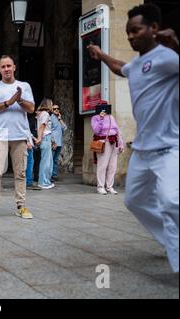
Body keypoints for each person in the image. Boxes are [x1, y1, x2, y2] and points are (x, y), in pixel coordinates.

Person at [87, 3, 178, 272]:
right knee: (134, 200)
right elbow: (120, 67)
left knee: (172, 200)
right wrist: (101, 53)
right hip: (143, 148)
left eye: (135, 30)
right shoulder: (137, 64)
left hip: (171, 147)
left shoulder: (168, 57)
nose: (129, 36)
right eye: (127, 32)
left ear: (153, 29)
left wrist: (176, 43)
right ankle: (170, 240)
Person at [0, 55, 35, 219]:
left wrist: (19, 100)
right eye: (3, 66)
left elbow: (32, 108)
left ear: (14, 67)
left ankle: (21, 206)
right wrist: (8, 102)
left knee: (20, 173)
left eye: (9, 66)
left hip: (19, 135)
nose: (6, 69)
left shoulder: (24, 86)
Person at [91, 108, 124, 195]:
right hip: (104, 142)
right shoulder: (95, 118)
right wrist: (101, 119)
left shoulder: (111, 117)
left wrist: (121, 144)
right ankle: (100, 187)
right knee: (102, 165)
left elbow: (117, 130)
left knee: (112, 166)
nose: (104, 110)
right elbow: (96, 131)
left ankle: (109, 187)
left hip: (114, 142)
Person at [35, 98, 55, 189]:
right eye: (51, 104)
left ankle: (45, 181)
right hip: (45, 138)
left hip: (46, 138)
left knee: (47, 161)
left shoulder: (41, 114)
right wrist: (39, 138)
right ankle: (43, 182)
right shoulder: (45, 114)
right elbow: (42, 126)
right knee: (46, 162)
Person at [50, 104, 67, 181]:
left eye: (58, 108)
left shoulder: (58, 119)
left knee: (55, 160)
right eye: (54, 109)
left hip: (59, 143)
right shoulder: (50, 118)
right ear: (52, 110)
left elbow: (65, 128)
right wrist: (53, 142)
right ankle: (50, 176)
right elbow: (48, 131)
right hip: (53, 143)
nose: (56, 109)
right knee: (51, 159)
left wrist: (60, 119)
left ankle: (54, 175)